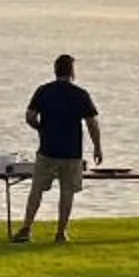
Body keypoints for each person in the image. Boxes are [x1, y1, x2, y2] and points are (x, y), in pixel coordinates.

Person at [14, 54, 103, 243]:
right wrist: (97, 147)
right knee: (67, 192)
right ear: (72, 72)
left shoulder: (44, 91)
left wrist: (41, 128)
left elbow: (30, 116)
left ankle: (26, 228)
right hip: (71, 152)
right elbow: (92, 123)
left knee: (36, 190)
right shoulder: (80, 94)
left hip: (47, 149)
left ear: (55, 70)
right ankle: (61, 232)